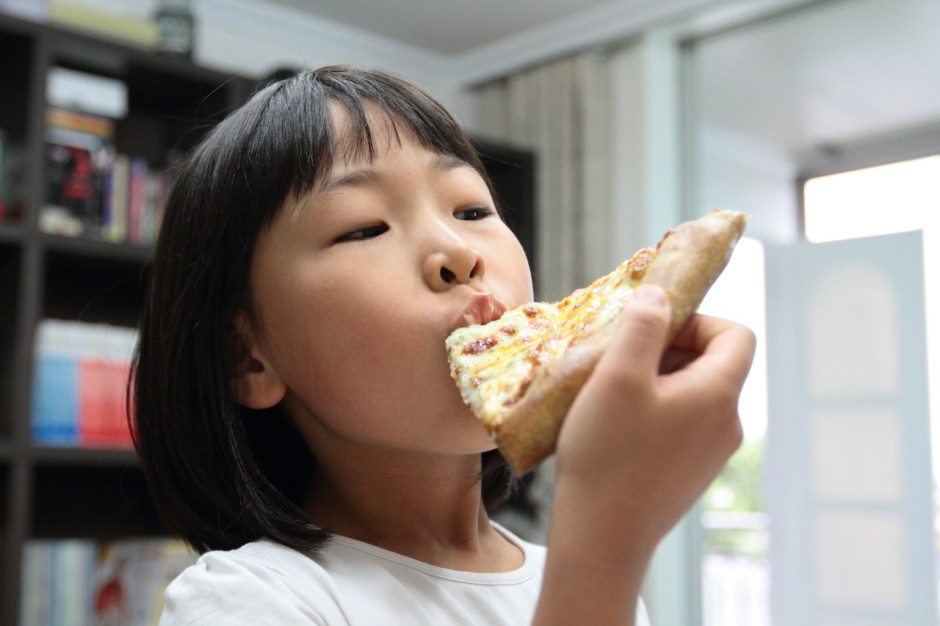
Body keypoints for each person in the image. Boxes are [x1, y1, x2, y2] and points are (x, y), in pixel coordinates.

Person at [133, 65, 755, 625]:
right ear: (248, 357)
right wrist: (607, 539)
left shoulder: (581, 579)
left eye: (472, 210)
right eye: (364, 228)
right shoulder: (249, 598)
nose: (459, 254)